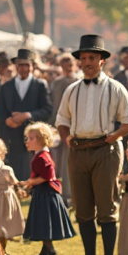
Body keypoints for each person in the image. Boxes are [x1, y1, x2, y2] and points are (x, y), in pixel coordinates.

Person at [54, 34, 128, 255]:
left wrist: (110, 138)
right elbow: (61, 119)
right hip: (78, 150)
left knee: (107, 205)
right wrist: (66, 137)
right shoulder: (72, 89)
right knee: (82, 207)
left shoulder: (115, 88)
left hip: (106, 150)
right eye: (84, 58)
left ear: (102, 61)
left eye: (92, 57)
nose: (87, 62)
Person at [0, 48, 52, 181]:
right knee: (13, 168)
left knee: (31, 167)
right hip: (12, 137)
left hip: (34, 136)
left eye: (27, 65)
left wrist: (28, 115)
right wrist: (7, 121)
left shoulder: (40, 85)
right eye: (20, 65)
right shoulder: (7, 86)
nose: (23, 68)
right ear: (15, 66)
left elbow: (47, 109)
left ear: (32, 66)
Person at [21, 123, 73, 255]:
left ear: (41, 139)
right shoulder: (40, 155)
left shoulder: (42, 157)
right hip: (42, 193)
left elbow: (48, 175)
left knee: (44, 221)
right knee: (43, 221)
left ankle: (50, 251)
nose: (27, 141)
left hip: (45, 194)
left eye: (31, 138)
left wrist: (31, 182)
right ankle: (47, 249)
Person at [49, 53, 78, 202]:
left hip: (78, 125)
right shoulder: (58, 83)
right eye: (65, 63)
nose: (68, 65)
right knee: (64, 160)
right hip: (64, 124)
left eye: (70, 62)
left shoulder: (79, 80)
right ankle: (67, 192)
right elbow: (57, 106)